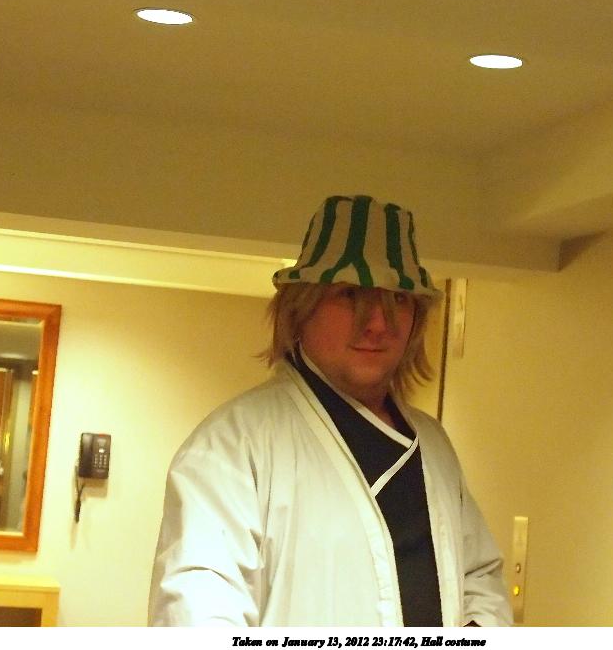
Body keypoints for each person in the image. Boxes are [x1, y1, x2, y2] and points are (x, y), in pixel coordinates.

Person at [148, 194, 512, 627]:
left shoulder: (433, 446)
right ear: (300, 308)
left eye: (398, 299)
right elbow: (195, 610)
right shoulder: (232, 446)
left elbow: (480, 578)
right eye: (350, 295)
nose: (377, 323)